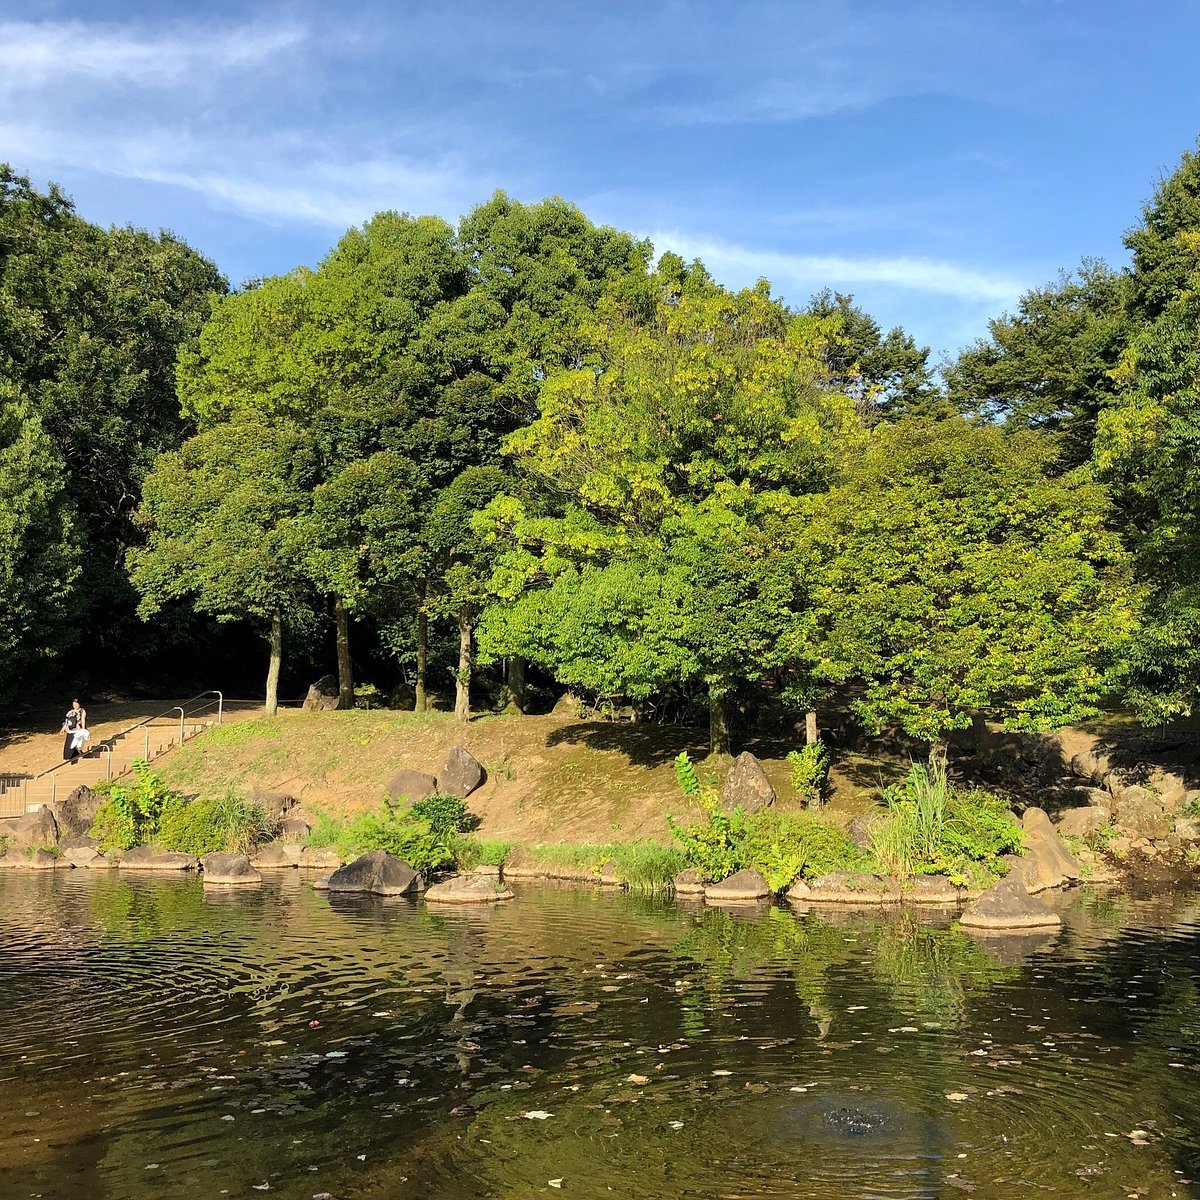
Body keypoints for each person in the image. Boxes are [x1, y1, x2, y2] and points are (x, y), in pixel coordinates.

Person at [60, 698, 89, 763]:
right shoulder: (70, 712)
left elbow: (83, 720)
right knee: (68, 745)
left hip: (78, 730)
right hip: (70, 730)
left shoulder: (82, 711)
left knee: (77, 744)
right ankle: (67, 758)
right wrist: (63, 729)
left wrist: (83, 729)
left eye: (76, 703)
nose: (75, 705)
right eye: (74, 703)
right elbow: (67, 721)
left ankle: (80, 754)